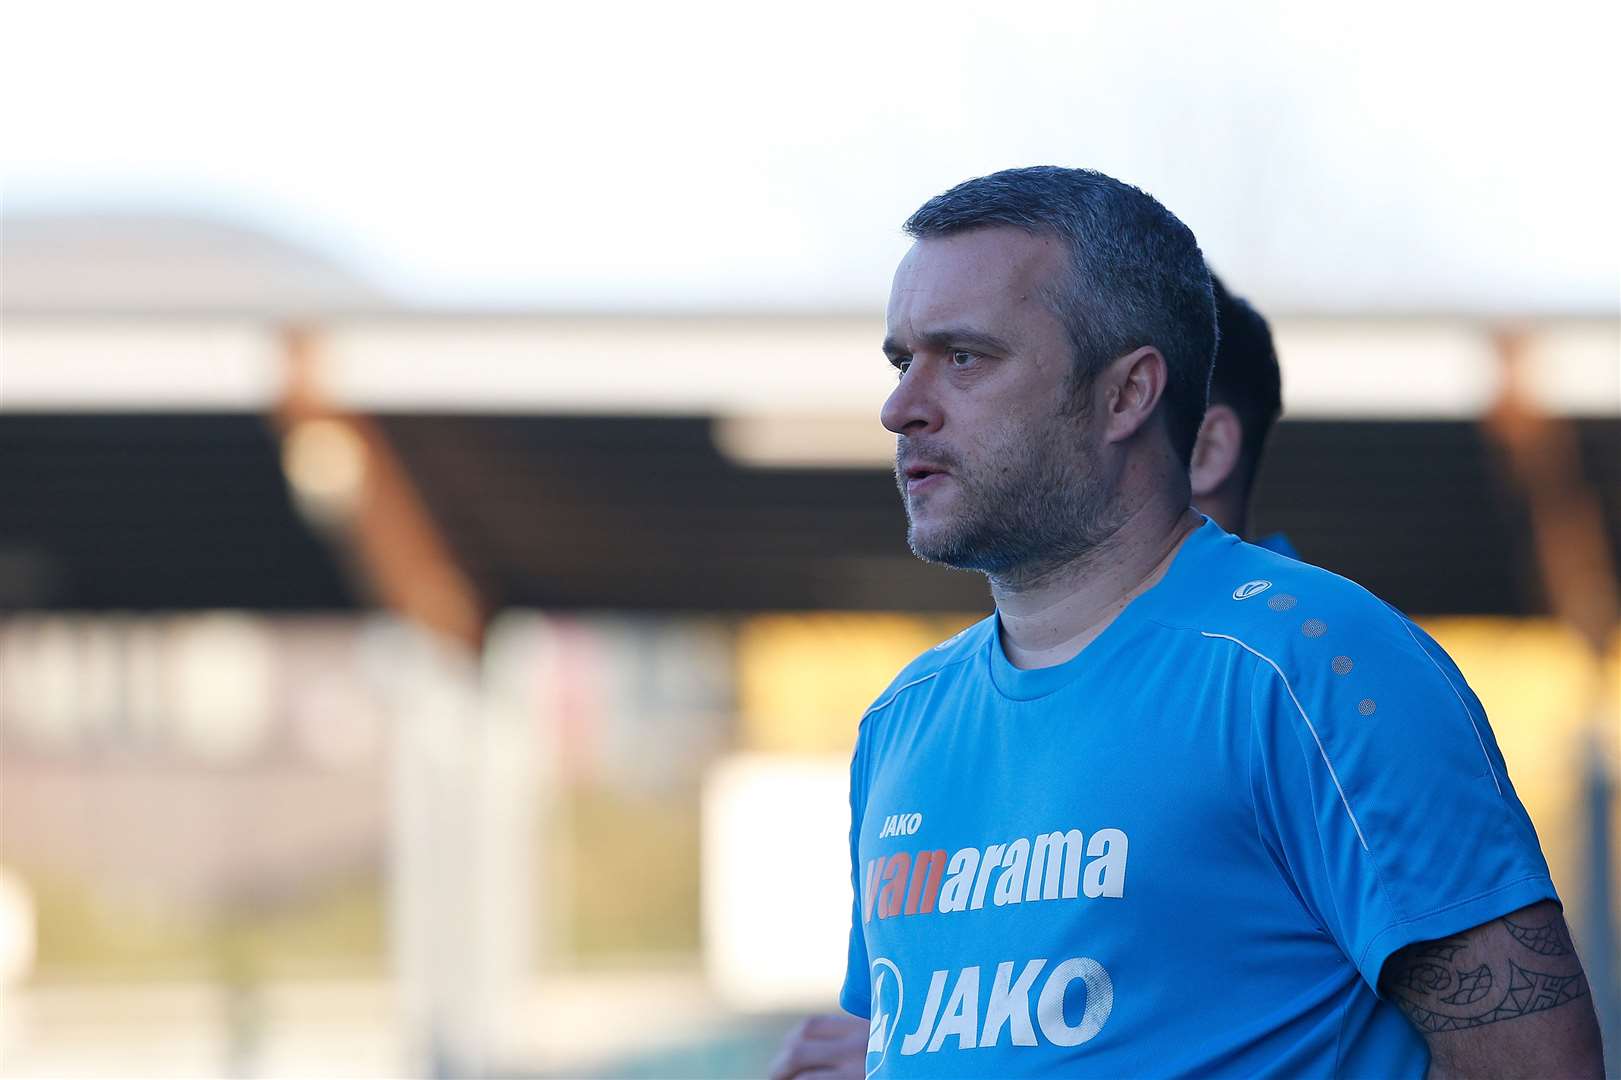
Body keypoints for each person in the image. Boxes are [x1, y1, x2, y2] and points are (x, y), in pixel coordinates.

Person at [769, 166, 1601, 1079]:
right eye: (901, 360)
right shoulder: (903, 718)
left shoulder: (1315, 664)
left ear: (1127, 395)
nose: (901, 407)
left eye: (964, 357)